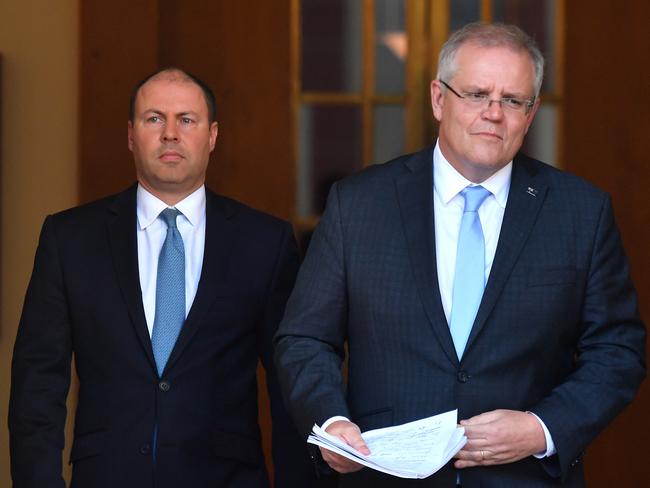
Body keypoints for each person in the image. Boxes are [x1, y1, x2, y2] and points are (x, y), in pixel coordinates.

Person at [274, 22, 646, 487]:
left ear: (530, 116)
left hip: (524, 478)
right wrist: (331, 423)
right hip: (384, 475)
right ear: (438, 99)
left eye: (513, 100)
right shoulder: (359, 204)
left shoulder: (580, 212)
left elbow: (618, 351)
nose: (494, 113)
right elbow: (305, 338)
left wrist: (541, 429)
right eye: (476, 94)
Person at [9, 68, 315, 487]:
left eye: (186, 120)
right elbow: (36, 386)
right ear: (132, 135)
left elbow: (290, 385)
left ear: (212, 136)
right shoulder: (70, 239)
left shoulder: (265, 242)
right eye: (154, 118)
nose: (170, 133)